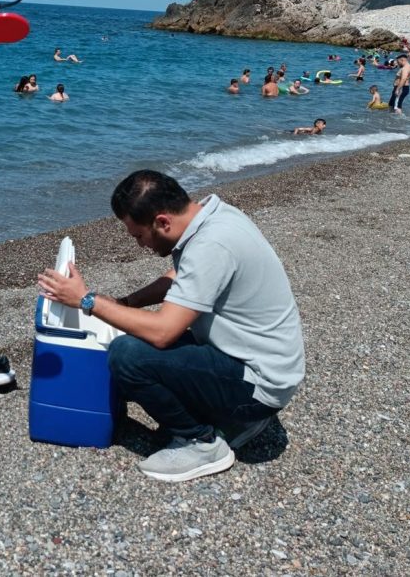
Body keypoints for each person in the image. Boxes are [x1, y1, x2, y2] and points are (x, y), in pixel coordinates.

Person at [36, 170, 305, 482]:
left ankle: (202, 443)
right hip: (263, 365)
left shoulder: (212, 244)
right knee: (128, 324)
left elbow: (163, 333)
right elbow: (181, 276)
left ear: (163, 222)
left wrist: (86, 300)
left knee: (127, 354)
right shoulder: (212, 216)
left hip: (259, 385)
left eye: (138, 235)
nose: (139, 245)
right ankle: (233, 419)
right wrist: (126, 303)